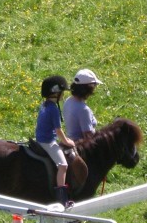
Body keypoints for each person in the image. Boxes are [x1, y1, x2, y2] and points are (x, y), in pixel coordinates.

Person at [35, 75, 76, 208]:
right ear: (56, 92)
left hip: (40, 138)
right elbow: (58, 131)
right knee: (63, 165)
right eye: (62, 92)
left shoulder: (45, 104)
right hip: (48, 141)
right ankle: (62, 198)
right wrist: (67, 142)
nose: (63, 95)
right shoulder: (53, 108)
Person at [63, 69, 102, 143]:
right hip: (81, 146)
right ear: (89, 89)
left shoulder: (68, 100)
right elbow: (88, 136)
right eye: (94, 86)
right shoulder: (83, 110)